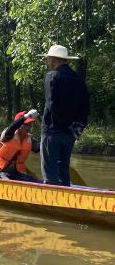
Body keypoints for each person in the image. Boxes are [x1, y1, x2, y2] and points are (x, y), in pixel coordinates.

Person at [38, 45, 90, 186]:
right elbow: (85, 107)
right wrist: (77, 128)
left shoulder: (51, 76)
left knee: (50, 171)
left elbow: (51, 104)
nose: (47, 61)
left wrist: (57, 125)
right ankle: (66, 199)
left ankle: (51, 203)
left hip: (52, 130)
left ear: (54, 59)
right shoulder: (79, 79)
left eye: (48, 58)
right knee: (63, 170)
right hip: (70, 132)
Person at [0, 110, 40, 182]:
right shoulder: (8, 134)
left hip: (15, 173)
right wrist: (25, 117)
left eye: (30, 124)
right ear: (18, 124)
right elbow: (12, 127)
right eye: (26, 124)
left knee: (36, 182)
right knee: (8, 182)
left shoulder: (29, 139)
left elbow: (40, 148)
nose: (28, 127)